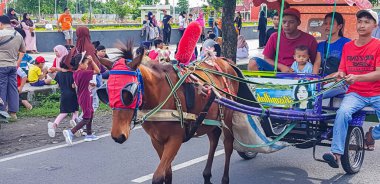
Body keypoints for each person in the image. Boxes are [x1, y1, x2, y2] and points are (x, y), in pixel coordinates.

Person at [322, 9, 380, 169]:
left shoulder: (378, 45)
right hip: (355, 93)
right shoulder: (348, 46)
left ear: (375, 25)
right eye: (360, 21)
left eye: (367, 22)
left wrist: (357, 77)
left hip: (377, 92)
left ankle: (372, 133)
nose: (362, 25)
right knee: (342, 113)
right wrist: (340, 74)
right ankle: (336, 154)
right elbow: (343, 69)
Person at [248, 8, 318, 72]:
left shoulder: (310, 39)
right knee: (253, 62)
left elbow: (316, 62)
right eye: (284, 22)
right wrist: (281, 67)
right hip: (278, 71)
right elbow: (266, 59)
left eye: (291, 22)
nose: (286, 25)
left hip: (300, 73)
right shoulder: (275, 37)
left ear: (298, 23)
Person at [63, 53, 101, 145]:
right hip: (85, 96)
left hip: (85, 95)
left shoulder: (76, 73)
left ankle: (89, 134)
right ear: (81, 64)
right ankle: (71, 132)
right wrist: (92, 62)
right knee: (86, 117)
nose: (87, 65)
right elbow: (98, 70)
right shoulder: (84, 73)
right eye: (86, 64)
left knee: (90, 113)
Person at [314, 12, 351, 99]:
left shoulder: (347, 43)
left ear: (340, 26)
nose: (327, 26)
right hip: (323, 80)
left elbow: (347, 67)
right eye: (325, 23)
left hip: (340, 80)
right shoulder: (321, 45)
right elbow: (317, 63)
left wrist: (329, 78)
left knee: (316, 95)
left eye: (331, 24)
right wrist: (314, 78)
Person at [0, 15, 26, 122]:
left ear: (1, 24)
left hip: (1, 66)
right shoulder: (18, 35)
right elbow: (23, 50)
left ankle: (2, 113)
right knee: (13, 89)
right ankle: (13, 113)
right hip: (12, 66)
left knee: (2, 89)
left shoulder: (1, 34)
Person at [48, 61, 79, 138]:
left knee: (63, 112)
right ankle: (74, 127)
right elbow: (73, 86)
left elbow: (52, 76)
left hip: (63, 94)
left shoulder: (59, 74)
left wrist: (50, 71)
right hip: (72, 94)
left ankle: (54, 126)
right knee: (75, 111)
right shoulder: (73, 74)